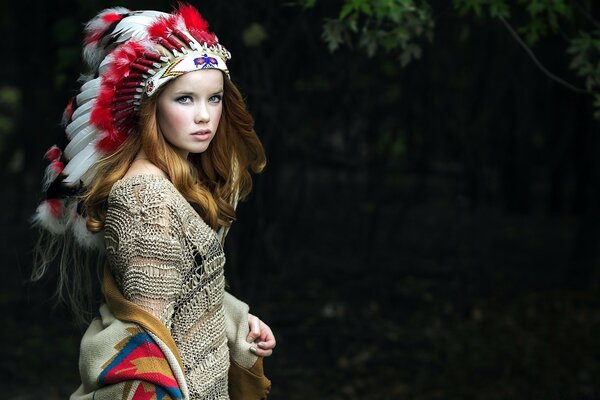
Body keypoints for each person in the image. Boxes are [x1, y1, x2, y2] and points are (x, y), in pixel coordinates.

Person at [32, 4, 275, 399]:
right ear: (150, 105)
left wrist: (236, 319)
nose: (204, 117)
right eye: (184, 99)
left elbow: (179, 293)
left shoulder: (170, 183)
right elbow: (148, 338)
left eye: (214, 99)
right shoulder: (144, 197)